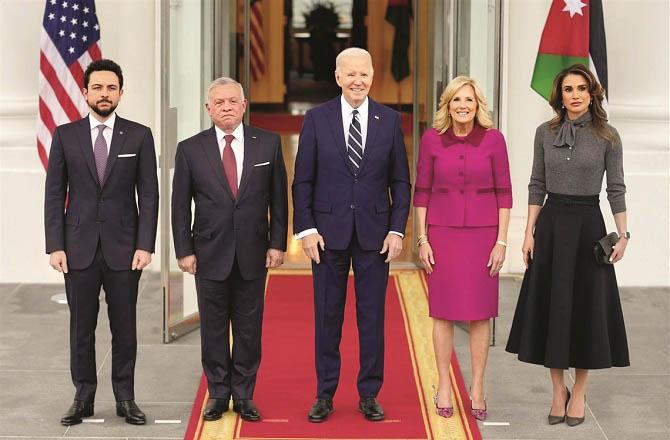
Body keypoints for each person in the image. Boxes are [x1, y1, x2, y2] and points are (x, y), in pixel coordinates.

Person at [506, 63, 630, 427]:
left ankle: (581, 390)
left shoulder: (609, 136)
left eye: (580, 88)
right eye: (567, 89)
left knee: (586, 309)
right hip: (552, 225)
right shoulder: (545, 133)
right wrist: (528, 232)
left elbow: (617, 189)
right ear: (559, 96)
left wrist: (623, 235)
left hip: (590, 227)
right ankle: (558, 389)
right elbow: (535, 183)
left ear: (592, 93)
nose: (574, 95)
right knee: (553, 308)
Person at [292, 47, 411, 423]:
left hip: (376, 237)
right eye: (351, 74)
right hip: (326, 237)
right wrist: (306, 229)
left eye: (365, 74)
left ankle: (369, 393)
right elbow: (302, 181)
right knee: (328, 317)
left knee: (372, 318)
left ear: (372, 76)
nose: (358, 80)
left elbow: (400, 181)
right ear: (338, 76)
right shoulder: (316, 119)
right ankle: (325, 394)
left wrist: (396, 228)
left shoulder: (389, 120)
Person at [44, 59, 159, 426]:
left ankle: (125, 398)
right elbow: (53, 194)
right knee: (82, 326)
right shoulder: (65, 135)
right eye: (98, 87)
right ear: (85, 92)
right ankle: (83, 397)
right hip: (77, 247)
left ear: (121, 93)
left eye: (111, 88)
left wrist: (145, 244)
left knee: (124, 327)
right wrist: (55, 245)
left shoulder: (139, 136)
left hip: (125, 248)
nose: (104, 94)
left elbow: (150, 196)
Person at [171, 77, 288, 422]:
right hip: (208, 253)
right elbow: (180, 207)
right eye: (218, 102)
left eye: (232, 102)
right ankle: (219, 393)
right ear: (208, 109)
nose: (226, 107)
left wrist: (278, 243)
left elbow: (279, 200)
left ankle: (245, 394)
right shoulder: (191, 148)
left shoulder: (267, 144)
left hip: (254, 252)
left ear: (244, 105)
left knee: (249, 329)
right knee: (213, 328)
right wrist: (184, 250)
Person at [414, 76, 512, 422]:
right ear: (448, 105)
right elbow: (422, 191)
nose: (463, 106)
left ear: (477, 104)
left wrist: (501, 241)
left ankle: (479, 386)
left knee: (479, 313)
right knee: (442, 312)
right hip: (442, 234)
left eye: (469, 100)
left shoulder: (494, 140)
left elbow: (505, 193)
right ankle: (443, 384)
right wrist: (422, 238)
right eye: (457, 100)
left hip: (483, 235)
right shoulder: (431, 140)